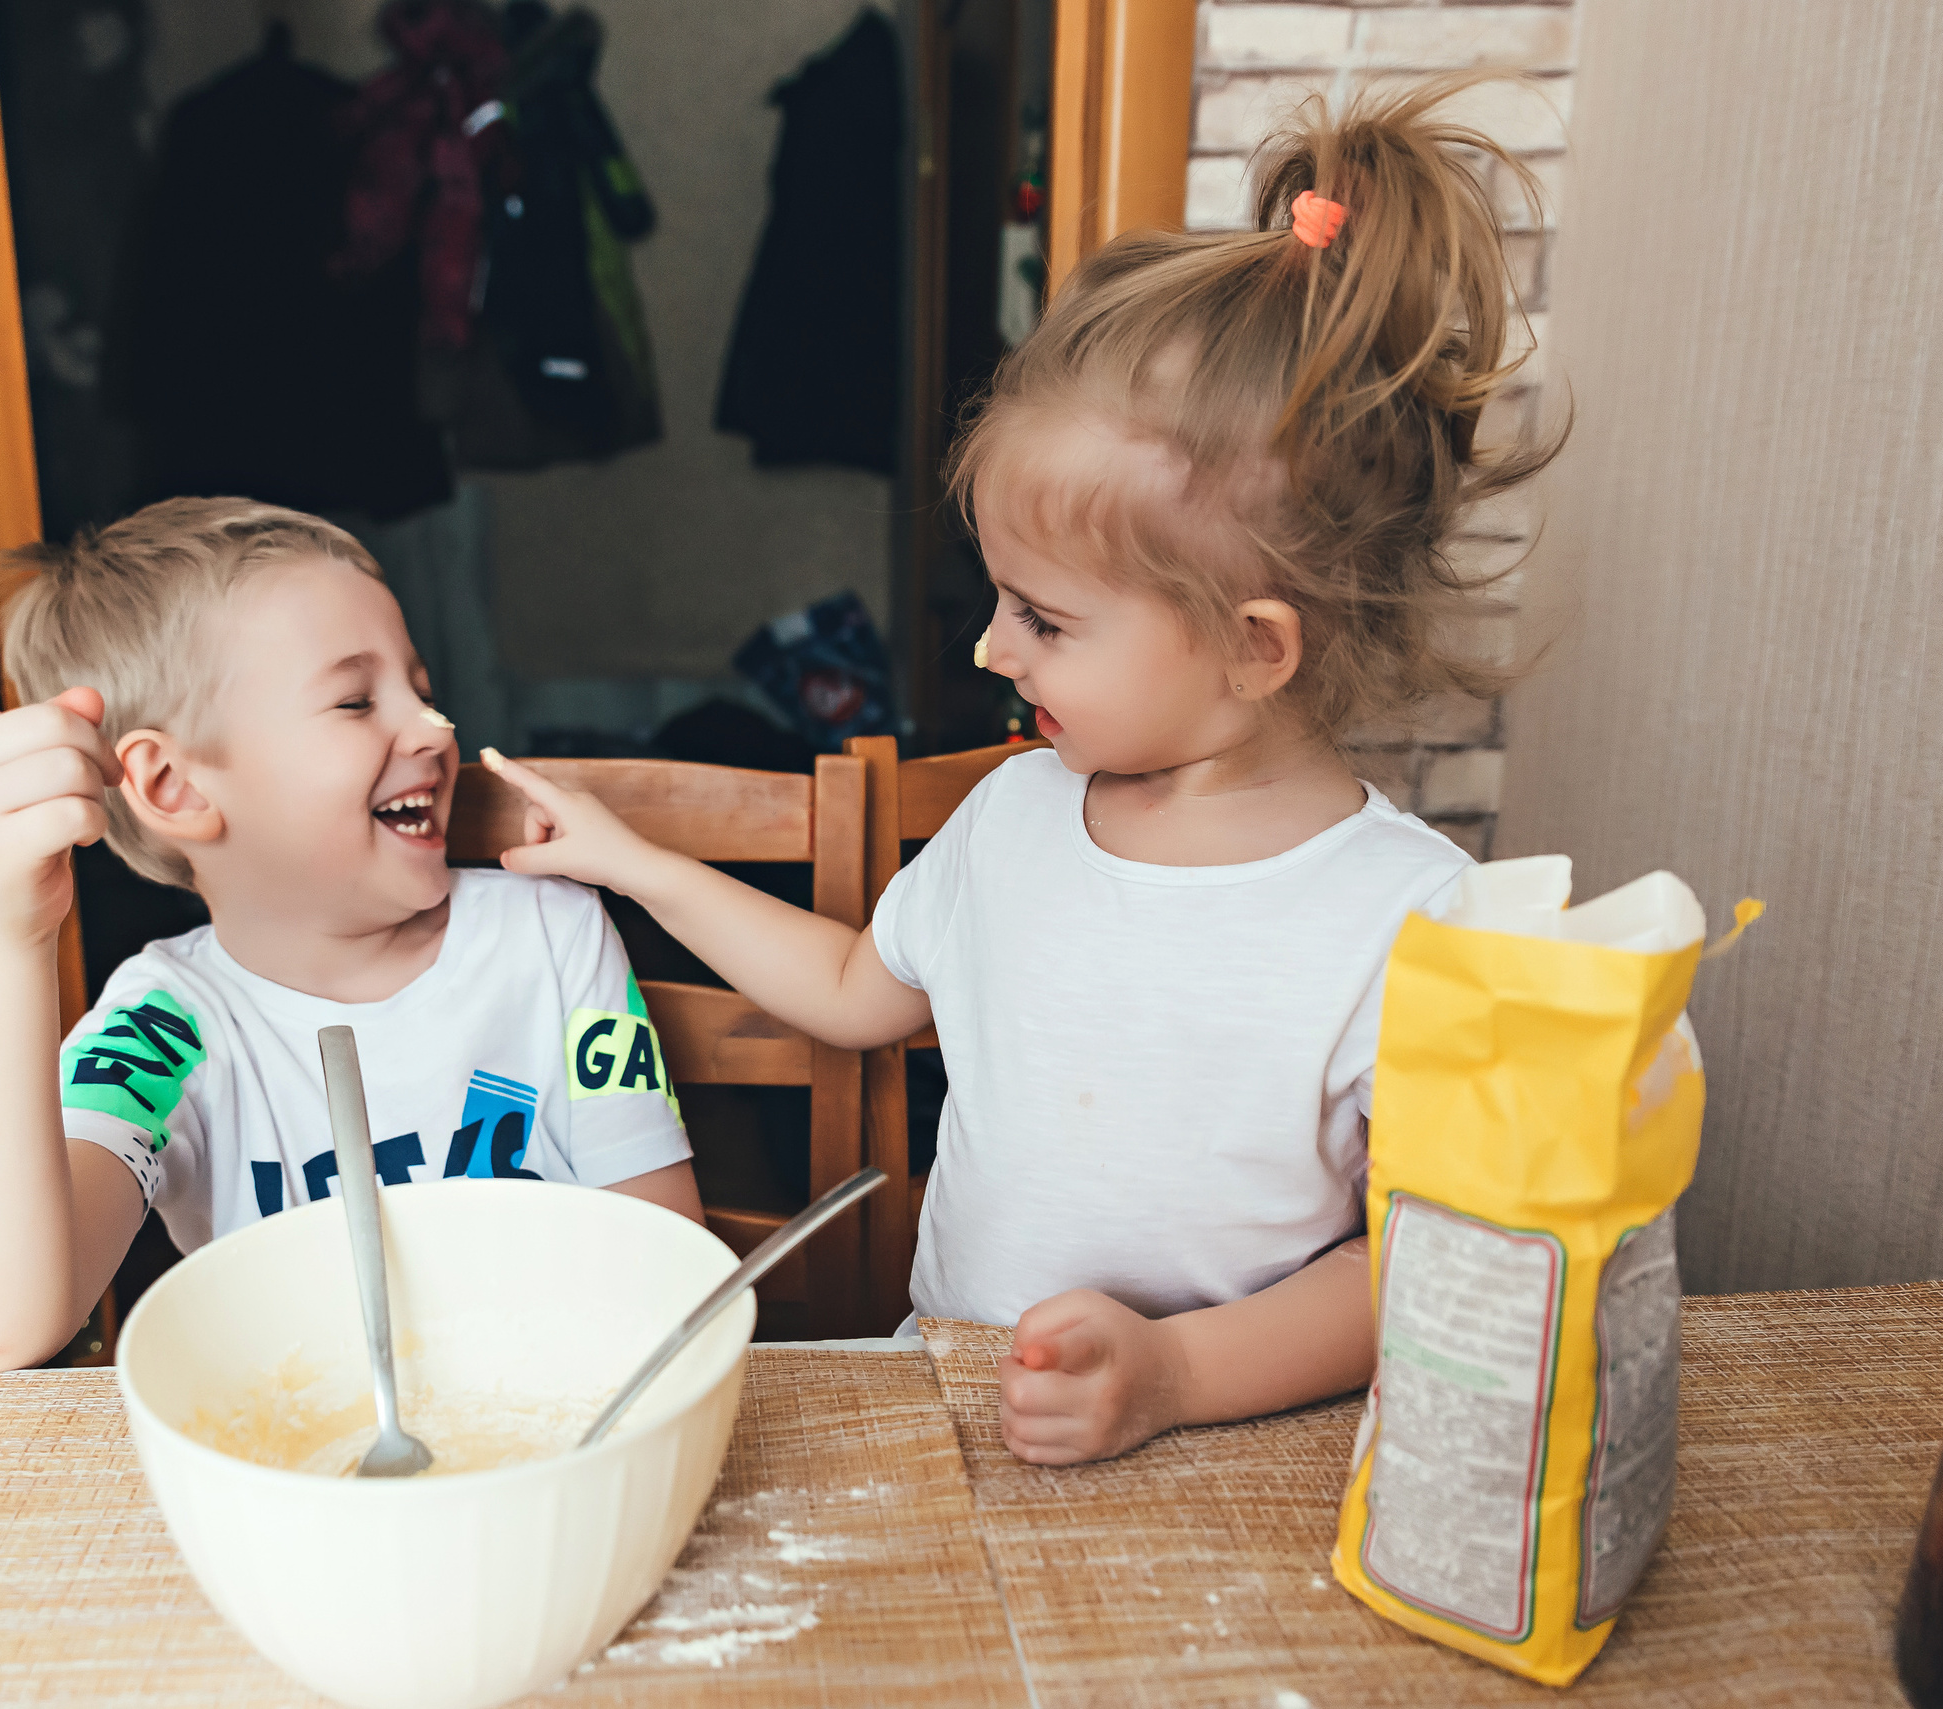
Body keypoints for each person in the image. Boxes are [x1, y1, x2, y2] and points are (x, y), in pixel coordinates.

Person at [477, 81, 1557, 1464]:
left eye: (1043, 619)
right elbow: (861, 993)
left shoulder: (1416, 925)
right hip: (958, 1410)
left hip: (1228, 1454)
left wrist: (1168, 1371)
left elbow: (1418, 1267)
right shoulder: (1014, 813)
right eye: (999, 598)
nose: (991, 646)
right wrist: (633, 861)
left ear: (1252, 646)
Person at [0, 499, 699, 1374]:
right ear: (172, 786)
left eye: (423, 691)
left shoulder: (551, 935)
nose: (436, 730)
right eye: (356, 700)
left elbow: (669, 1269)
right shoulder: (165, 1030)